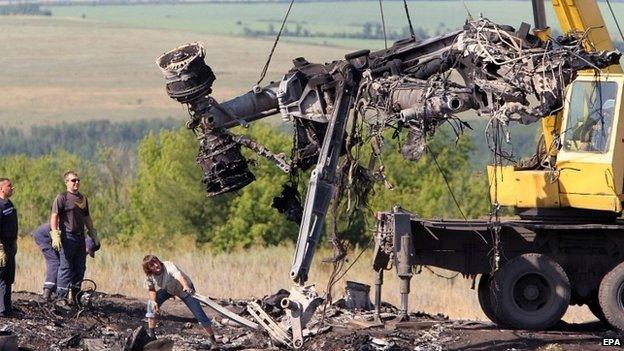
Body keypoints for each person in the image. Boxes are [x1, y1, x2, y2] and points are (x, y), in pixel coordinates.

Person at [142, 255, 218, 346]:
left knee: (199, 314)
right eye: (152, 265)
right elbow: (151, 290)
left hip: (184, 289)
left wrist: (185, 286)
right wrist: (154, 301)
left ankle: (213, 340)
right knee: (151, 305)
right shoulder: (150, 276)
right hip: (168, 289)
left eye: (156, 262)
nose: (156, 265)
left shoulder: (168, 265)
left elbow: (178, 276)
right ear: (149, 269)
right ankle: (152, 336)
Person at [50, 171, 100, 302]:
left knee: (80, 267)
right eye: (73, 180)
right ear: (66, 182)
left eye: (78, 180)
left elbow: (86, 216)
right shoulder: (62, 198)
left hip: (80, 238)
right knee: (65, 268)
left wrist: (92, 232)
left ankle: (76, 297)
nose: (76, 182)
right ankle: (61, 298)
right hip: (67, 237)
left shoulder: (82, 199)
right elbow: (54, 216)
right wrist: (55, 234)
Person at [32, 222, 99, 301]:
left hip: (57, 238)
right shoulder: (74, 239)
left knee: (63, 264)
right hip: (44, 236)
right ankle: (47, 292)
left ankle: (57, 292)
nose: (86, 254)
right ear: (85, 245)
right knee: (55, 263)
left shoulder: (78, 239)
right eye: (87, 252)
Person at [0, 178, 18, 317]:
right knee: (1, 276)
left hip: (10, 245)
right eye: (9, 186)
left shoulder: (9, 204)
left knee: (8, 277)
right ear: (1, 188)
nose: (12, 188)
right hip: (2, 246)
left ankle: (7, 308)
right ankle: (1, 310)